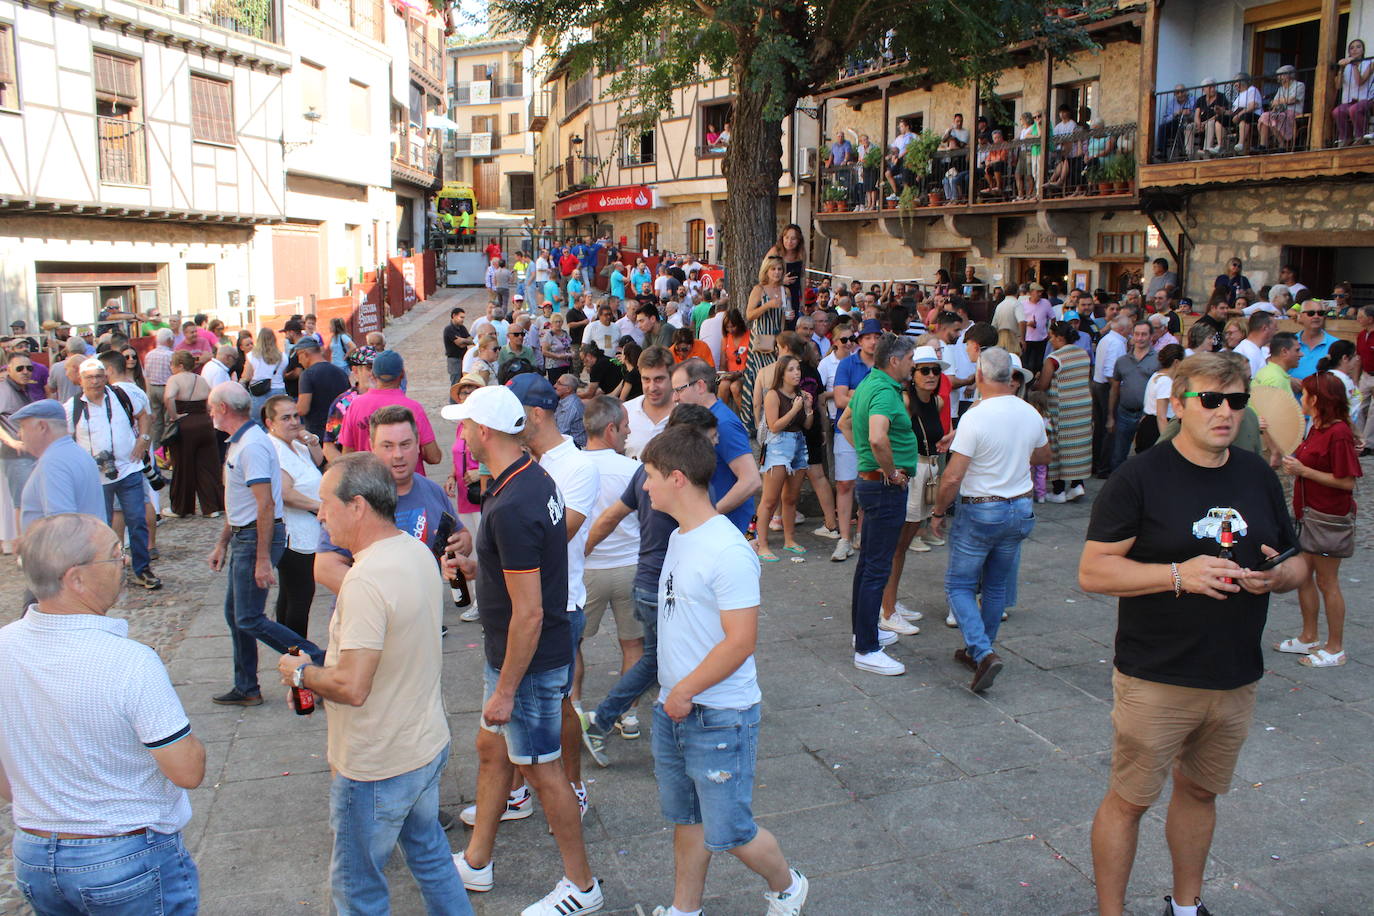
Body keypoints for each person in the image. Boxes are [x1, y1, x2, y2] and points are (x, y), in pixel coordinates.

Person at [1078, 352, 1306, 916]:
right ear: (1178, 405)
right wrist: (1180, 574)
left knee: (1201, 791)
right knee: (1129, 800)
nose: (1224, 412)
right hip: (1157, 673)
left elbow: (1300, 564)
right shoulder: (1139, 477)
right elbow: (1093, 571)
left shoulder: (1256, 472)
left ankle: (1186, 907)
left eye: (1235, 401)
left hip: (1234, 675)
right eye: (1209, 399)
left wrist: (1277, 576)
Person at [272, 453, 473, 916]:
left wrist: (301, 673)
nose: (320, 514)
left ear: (357, 505)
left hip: (378, 764)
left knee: (357, 890)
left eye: (325, 503)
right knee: (431, 859)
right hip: (423, 744)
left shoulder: (364, 580)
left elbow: (353, 686)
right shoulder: (414, 552)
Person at [637, 424, 811, 916]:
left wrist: (684, 690)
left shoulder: (729, 550)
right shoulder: (679, 538)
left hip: (719, 715)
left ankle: (787, 884)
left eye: (650, 475)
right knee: (686, 819)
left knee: (730, 831)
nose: (644, 485)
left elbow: (741, 642)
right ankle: (683, 909)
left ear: (676, 479)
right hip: (677, 706)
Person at [444, 385, 604, 915]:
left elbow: (530, 612)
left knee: (541, 769)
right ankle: (477, 860)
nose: (461, 432)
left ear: (484, 432)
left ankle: (582, 887)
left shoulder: (513, 500)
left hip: (527, 661)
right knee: (493, 751)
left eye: (466, 424)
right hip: (520, 651)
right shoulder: (530, 477)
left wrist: (507, 688)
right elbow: (526, 565)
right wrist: (478, 567)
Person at [2, 514, 206, 914]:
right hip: (124, 855)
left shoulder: (5, 645)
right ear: (75, 578)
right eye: (114, 555)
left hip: (34, 851)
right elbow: (188, 771)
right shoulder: (129, 661)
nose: (125, 562)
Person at [928, 348, 1047, 692]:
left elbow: (952, 477)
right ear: (1011, 377)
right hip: (1019, 508)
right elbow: (1043, 455)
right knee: (995, 586)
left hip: (983, 508)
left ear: (979, 376)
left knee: (959, 585)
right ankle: (979, 650)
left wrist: (937, 512)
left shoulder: (976, 417)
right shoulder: (1028, 413)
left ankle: (982, 652)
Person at [206, 381, 324, 706]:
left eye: (212, 406)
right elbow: (239, 503)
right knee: (236, 614)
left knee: (249, 617)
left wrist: (261, 558)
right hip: (244, 536)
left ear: (224, 409)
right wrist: (221, 543)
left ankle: (317, 659)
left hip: (255, 538)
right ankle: (246, 686)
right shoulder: (242, 442)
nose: (210, 412)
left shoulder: (252, 447)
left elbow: (265, 505)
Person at [1275, 370, 1362, 668]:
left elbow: (1347, 481)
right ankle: (1309, 636)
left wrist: (1304, 472)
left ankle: (1335, 647)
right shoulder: (1317, 427)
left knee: (1327, 581)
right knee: (1304, 577)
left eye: (1306, 393)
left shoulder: (1338, 433)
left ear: (1317, 399)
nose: (1302, 397)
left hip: (1327, 517)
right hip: (1309, 514)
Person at [846, 333, 919, 676]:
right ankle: (867, 648)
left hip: (870, 483)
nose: (913, 365)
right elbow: (877, 436)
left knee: (868, 565)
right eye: (910, 359)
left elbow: (846, 422)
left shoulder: (867, 384)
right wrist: (891, 473)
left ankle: (864, 633)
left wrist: (867, 457)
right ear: (894, 361)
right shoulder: (886, 392)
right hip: (884, 487)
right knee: (877, 567)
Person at [576, 396, 644, 738]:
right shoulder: (632, 469)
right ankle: (628, 714)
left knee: (572, 644)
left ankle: (571, 710)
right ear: (611, 428)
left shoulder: (571, 467)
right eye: (626, 426)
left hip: (585, 570)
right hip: (630, 567)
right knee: (633, 644)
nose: (629, 432)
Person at [65, 358, 161, 589]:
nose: (96, 381)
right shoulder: (72, 408)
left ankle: (142, 569)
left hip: (128, 469)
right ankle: (104, 572)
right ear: (81, 380)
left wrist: (144, 439)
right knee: (100, 527)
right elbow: (65, 439)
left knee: (137, 520)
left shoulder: (121, 396)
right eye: (90, 377)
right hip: (95, 478)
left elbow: (144, 416)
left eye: (99, 376)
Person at [875, 343, 946, 634]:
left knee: (903, 544)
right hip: (910, 473)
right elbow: (879, 434)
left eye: (935, 370)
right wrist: (889, 469)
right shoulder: (903, 400)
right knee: (897, 546)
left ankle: (889, 602)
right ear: (913, 373)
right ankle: (887, 609)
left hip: (929, 470)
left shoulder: (938, 403)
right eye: (924, 370)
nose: (931, 375)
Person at [263, 395, 323, 641]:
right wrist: (320, 507)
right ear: (270, 423)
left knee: (290, 594)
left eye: (296, 416)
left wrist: (313, 442)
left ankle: (289, 650)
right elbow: (285, 494)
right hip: (293, 534)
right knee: (300, 595)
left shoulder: (295, 443)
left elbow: (317, 463)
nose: (293, 422)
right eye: (285, 418)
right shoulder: (274, 449)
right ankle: (298, 654)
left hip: (307, 530)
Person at [830, 317, 883, 561]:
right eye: (868, 337)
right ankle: (844, 538)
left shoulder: (884, 366)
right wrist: (869, 398)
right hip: (847, 430)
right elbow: (839, 400)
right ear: (860, 341)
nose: (873, 342)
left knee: (867, 482)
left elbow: (846, 397)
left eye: (876, 337)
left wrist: (854, 394)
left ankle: (861, 533)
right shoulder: (847, 364)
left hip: (874, 431)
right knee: (844, 484)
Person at [752, 354, 812, 561]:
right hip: (778, 445)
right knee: (770, 499)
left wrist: (808, 408)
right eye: (791, 369)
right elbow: (774, 425)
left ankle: (789, 540)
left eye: (798, 369)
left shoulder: (801, 395)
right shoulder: (773, 395)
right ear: (782, 374)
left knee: (791, 497)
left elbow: (807, 425)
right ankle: (762, 543)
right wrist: (795, 408)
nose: (797, 373)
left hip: (798, 443)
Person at [338, 351, 440, 471]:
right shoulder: (413, 408)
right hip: (408, 483)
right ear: (402, 374)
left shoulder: (355, 406)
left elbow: (347, 456)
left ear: (374, 375)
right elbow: (434, 457)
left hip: (368, 483)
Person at [1035, 320, 1092, 501]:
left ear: (1060, 337)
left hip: (1060, 408)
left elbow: (1043, 385)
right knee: (1078, 446)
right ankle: (1077, 484)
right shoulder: (1083, 354)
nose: (1050, 340)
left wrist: (1034, 382)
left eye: (1052, 336)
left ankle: (1058, 490)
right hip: (1082, 407)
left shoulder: (1054, 359)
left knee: (1058, 448)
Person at [163, 350, 224, 518]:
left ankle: (181, 507)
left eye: (172, 364)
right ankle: (212, 507)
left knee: (182, 467)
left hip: (185, 425)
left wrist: (174, 416)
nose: (171, 368)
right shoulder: (201, 379)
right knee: (208, 467)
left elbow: (169, 397)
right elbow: (212, 400)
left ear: (180, 365)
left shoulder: (174, 379)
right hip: (205, 424)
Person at [742, 256, 788, 433]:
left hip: (776, 340)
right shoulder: (759, 289)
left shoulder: (785, 291)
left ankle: (773, 419)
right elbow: (750, 314)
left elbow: (784, 317)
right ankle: (757, 424)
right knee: (760, 381)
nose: (776, 273)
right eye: (773, 269)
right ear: (767, 271)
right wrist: (768, 305)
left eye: (779, 269)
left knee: (776, 380)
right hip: (761, 341)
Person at [1108, 321, 1160, 471]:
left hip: (1148, 415)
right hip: (1125, 413)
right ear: (1132, 336)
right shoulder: (1122, 361)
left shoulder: (1158, 360)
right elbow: (1114, 388)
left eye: (1144, 334)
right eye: (1137, 334)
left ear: (1151, 337)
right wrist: (1111, 416)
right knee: (1119, 455)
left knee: (1146, 455)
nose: (1140, 338)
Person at [0, 350, 37, 508]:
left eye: (29, 368)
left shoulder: (23, 389)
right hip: (16, 457)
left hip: (29, 454)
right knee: (24, 504)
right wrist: (11, 441)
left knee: (31, 502)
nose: (25, 372)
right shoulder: (3, 390)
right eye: (20, 368)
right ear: (8, 369)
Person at [624, 345, 675, 458]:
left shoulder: (687, 414)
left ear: (672, 377)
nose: (652, 387)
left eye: (659, 379)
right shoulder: (625, 412)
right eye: (646, 379)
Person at [295, 338, 351, 440]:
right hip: (340, 430)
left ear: (305, 354)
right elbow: (348, 401)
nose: (299, 361)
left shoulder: (307, 375)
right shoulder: (341, 372)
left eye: (298, 356)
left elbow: (303, 409)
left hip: (318, 434)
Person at [1136, 344, 1185, 451]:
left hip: (1150, 424)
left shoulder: (1157, 375)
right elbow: (1161, 417)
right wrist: (1166, 443)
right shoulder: (1165, 381)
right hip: (1156, 429)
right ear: (1176, 362)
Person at [1293, 300, 1339, 379]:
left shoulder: (1336, 345)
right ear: (1300, 316)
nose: (1316, 316)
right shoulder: (1289, 343)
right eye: (1311, 313)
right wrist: (1289, 379)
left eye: (1320, 313)